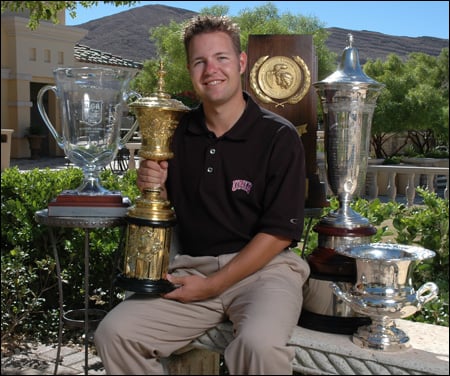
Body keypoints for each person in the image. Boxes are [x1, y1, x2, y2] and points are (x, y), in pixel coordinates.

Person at [94, 15, 310, 375]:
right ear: (190, 70)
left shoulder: (278, 137)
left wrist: (212, 286)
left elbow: (279, 233)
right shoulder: (176, 134)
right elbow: (162, 202)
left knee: (259, 347)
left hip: (266, 273)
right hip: (193, 270)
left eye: (221, 58)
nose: (212, 69)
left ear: (241, 63)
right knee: (115, 334)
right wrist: (153, 184)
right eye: (200, 61)